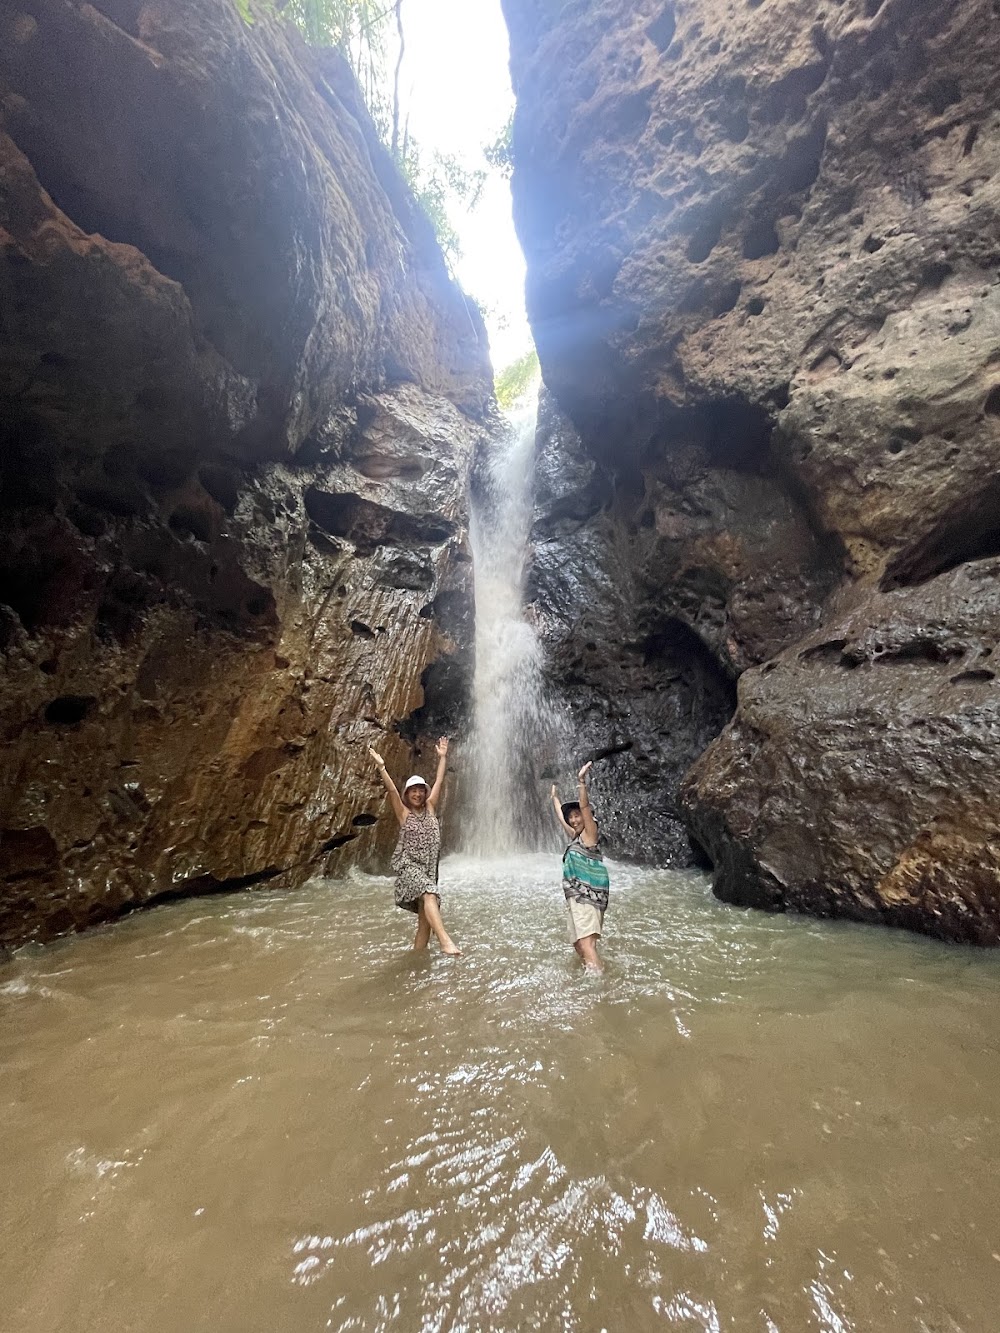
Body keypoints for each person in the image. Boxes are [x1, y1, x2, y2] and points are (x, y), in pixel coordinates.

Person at [368, 737, 461, 957]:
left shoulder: (430, 808)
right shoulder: (404, 814)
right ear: (407, 794)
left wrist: (443, 757)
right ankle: (446, 942)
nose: (418, 794)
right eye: (413, 791)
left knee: (425, 923)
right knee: (430, 895)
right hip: (411, 869)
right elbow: (391, 790)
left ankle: (416, 962)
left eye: (420, 790)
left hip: (429, 870)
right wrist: (382, 767)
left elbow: (439, 781)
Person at [550, 761, 610, 972]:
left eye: (577, 815)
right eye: (572, 816)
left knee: (586, 943)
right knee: (578, 944)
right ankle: (594, 969)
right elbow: (561, 818)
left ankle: (596, 984)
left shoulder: (590, 833)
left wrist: (581, 782)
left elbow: (585, 807)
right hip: (576, 895)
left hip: (589, 893)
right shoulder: (575, 836)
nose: (574, 820)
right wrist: (555, 799)